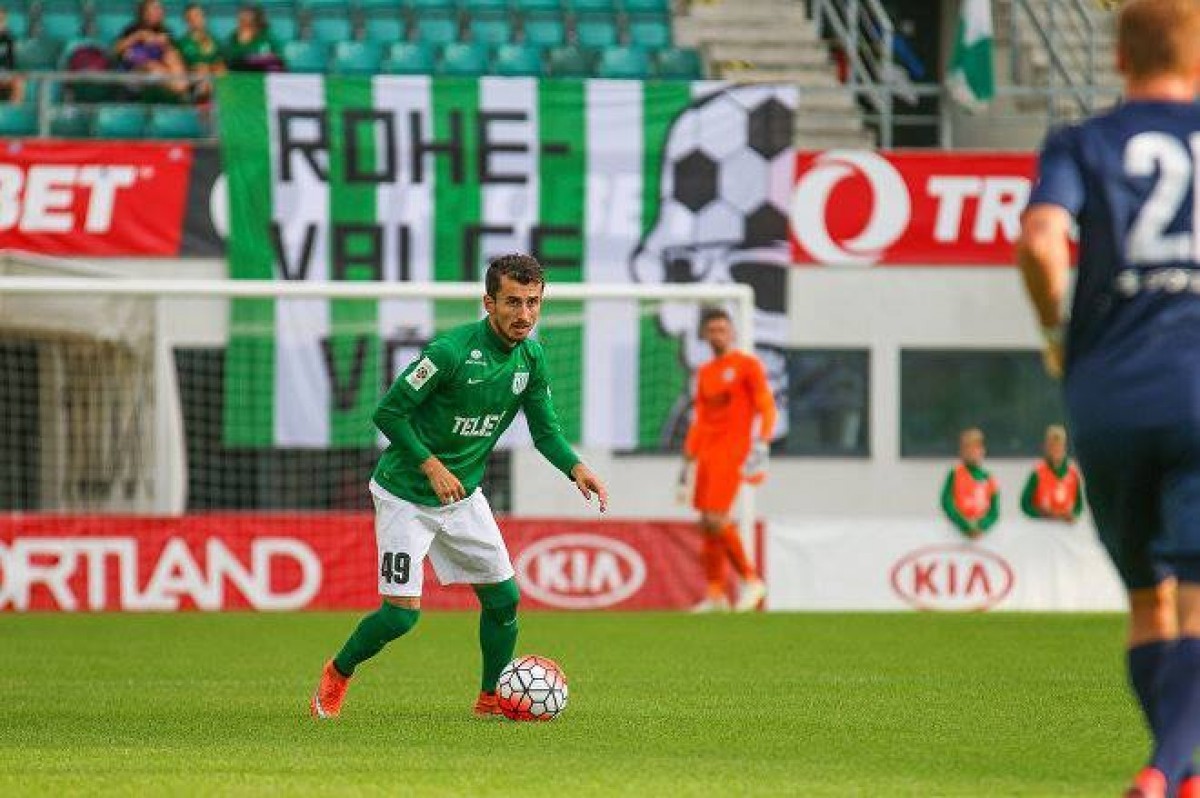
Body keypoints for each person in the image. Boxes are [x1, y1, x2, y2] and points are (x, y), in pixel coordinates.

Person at [1016, 1, 1200, 795]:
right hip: (1196, 387)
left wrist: (1054, 329)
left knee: (1148, 602)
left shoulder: (1080, 142)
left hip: (1108, 394)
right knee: (1197, 604)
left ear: (1118, 58)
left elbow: (1039, 241)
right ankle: (1163, 771)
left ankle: (1184, 776)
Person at [309, 254, 609, 720]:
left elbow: (545, 432)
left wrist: (575, 467)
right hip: (406, 494)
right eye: (513, 302)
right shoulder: (449, 352)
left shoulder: (531, 358)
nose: (524, 313)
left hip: (463, 497)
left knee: (504, 600)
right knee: (401, 615)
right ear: (489, 303)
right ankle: (338, 672)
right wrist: (431, 465)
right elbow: (388, 413)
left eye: (533, 302)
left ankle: (490, 699)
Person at [678, 307, 774, 613]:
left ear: (732, 332)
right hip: (706, 452)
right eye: (712, 330)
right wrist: (688, 457)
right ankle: (716, 594)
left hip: (732, 451)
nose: (718, 334)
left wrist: (763, 441)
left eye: (722, 329)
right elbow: (700, 418)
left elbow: (766, 405)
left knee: (717, 518)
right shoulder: (705, 372)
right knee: (706, 523)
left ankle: (752, 580)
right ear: (704, 335)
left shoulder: (747, 365)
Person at [113, 0, 188, 100]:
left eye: (160, 9)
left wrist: (163, 44)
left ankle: (180, 87)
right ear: (144, 13)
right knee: (152, 66)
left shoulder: (165, 32)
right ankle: (180, 91)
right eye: (154, 9)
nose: (159, 12)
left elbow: (174, 57)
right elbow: (115, 50)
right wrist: (138, 36)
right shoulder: (132, 29)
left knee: (171, 56)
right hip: (134, 74)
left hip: (160, 74)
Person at [939, 428, 999, 540]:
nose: (971, 452)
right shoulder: (955, 474)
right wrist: (964, 525)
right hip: (956, 534)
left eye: (976, 447)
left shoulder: (988, 478)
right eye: (967, 447)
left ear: (983, 450)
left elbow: (994, 510)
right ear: (961, 451)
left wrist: (982, 525)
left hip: (983, 535)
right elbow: (946, 502)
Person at [1020, 424, 1083, 523]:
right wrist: (1040, 514)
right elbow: (1025, 504)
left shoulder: (1073, 474)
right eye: (1052, 446)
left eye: (1059, 445)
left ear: (1064, 447)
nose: (1055, 450)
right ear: (1046, 448)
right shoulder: (1037, 473)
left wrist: (1074, 515)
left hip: (1065, 527)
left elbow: (1079, 505)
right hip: (1043, 526)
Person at [176, 4, 225, 102]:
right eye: (191, 17)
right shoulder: (181, 43)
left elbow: (221, 64)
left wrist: (210, 68)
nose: (196, 20)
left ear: (204, 18)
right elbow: (179, 67)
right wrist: (196, 69)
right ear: (186, 21)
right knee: (202, 73)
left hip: (213, 79)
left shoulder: (215, 41)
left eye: (198, 15)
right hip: (192, 81)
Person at [223, 5, 282, 72]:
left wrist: (255, 59)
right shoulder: (233, 37)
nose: (244, 24)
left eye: (249, 21)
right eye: (241, 21)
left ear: (257, 22)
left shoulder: (268, 36)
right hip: (238, 74)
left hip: (262, 74)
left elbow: (278, 58)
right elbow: (227, 57)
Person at [0, 9, 25, 104]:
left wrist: (6, 74)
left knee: (18, 80)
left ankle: (13, 110)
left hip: (4, 74)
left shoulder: (9, 39)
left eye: (1, 20)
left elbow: (11, 62)